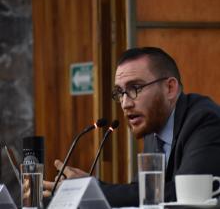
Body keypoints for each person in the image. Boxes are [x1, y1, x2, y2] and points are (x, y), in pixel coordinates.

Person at [44, 47, 220, 207]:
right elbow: (143, 191)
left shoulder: (203, 120)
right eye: (120, 93)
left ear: (170, 88)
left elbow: (184, 193)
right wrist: (91, 187)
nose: (125, 103)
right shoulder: (153, 127)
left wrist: (91, 190)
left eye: (135, 88)